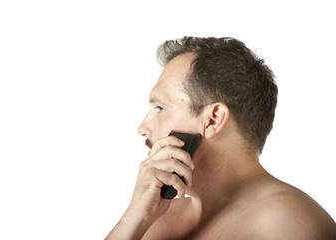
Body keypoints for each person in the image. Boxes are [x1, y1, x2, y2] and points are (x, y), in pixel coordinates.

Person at [106, 37, 336, 239]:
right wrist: (133, 219)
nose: (143, 128)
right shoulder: (155, 215)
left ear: (213, 119)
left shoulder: (287, 224)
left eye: (159, 108)